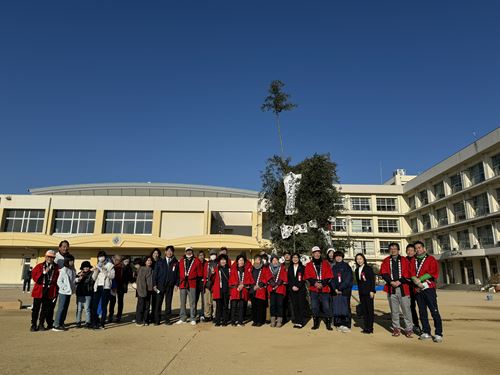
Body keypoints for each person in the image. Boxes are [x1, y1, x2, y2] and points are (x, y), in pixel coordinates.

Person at [410, 241, 443, 343]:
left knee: (434, 311)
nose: (417, 250)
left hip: (429, 288)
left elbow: (433, 272)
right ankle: (426, 331)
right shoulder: (413, 260)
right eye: (416, 248)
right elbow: (410, 272)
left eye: (419, 247)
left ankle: (438, 333)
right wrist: (415, 280)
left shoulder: (431, 259)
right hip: (418, 289)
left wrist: (420, 279)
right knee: (422, 311)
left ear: (424, 248)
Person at [380, 242, 414, 337]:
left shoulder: (405, 260)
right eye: (391, 248)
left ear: (398, 250)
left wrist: (399, 281)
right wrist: (391, 282)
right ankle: (396, 328)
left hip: (404, 288)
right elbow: (384, 273)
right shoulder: (386, 261)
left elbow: (409, 273)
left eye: (395, 248)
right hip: (391, 289)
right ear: (389, 250)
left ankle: (409, 329)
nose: (393, 250)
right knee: (394, 310)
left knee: (406, 310)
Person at [304, 246, 334, 330]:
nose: (317, 254)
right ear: (312, 254)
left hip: (324, 288)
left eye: (318, 253)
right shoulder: (309, 264)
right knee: (314, 306)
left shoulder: (325, 263)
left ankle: (328, 324)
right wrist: (315, 283)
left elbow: (329, 275)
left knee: (326, 306)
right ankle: (315, 323)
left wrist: (323, 284)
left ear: (320, 254)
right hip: (314, 289)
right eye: (315, 253)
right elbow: (307, 276)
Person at [30, 250, 59, 332]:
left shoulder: (56, 267)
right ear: (45, 257)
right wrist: (44, 273)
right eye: (48, 257)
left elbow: (58, 279)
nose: (50, 258)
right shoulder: (39, 266)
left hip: (50, 290)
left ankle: (41, 324)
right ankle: (33, 324)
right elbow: (35, 278)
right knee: (36, 309)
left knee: (45, 309)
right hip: (39, 290)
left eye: (52, 257)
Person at [153, 245, 179, 325]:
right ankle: (157, 320)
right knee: (158, 303)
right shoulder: (160, 262)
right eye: (168, 251)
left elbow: (178, 275)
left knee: (168, 303)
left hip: (170, 286)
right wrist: (154, 284)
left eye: (171, 251)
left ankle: (167, 319)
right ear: (165, 252)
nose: (169, 252)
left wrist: (176, 284)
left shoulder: (176, 262)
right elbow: (155, 274)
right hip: (160, 286)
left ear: (173, 252)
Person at [176, 247, 201, 326]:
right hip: (183, 283)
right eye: (187, 251)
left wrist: (196, 281)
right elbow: (178, 272)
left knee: (192, 302)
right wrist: (178, 283)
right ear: (185, 251)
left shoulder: (196, 260)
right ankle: (182, 317)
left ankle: (193, 318)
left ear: (192, 251)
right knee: (182, 302)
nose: (189, 252)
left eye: (190, 251)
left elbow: (199, 273)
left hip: (192, 283)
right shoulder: (181, 260)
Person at [91, 251, 115, 330]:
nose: (101, 258)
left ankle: (102, 323)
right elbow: (94, 278)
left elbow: (112, 276)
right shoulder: (97, 265)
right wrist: (97, 270)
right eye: (99, 256)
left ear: (105, 257)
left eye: (102, 256)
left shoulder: (110, 265)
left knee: (104, 306)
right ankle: (94, 323)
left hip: (106, 287)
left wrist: (104, 270)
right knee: (94, 305)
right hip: (98, 286)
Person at [331, 250, 353, 333]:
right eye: (336, 256)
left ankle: (346, 324)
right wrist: (335, 289)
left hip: (345, 290)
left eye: (340, 256)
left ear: (342, 257)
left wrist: (340, 288)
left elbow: (348, 279)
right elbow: (331, 279)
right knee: (337, 306)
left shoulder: (346, 266)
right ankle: (339, 323)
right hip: (336, 291)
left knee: (346, 306)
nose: (338, 258)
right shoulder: (333, 267)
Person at [53, 254, 76, 331]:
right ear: (67, 261)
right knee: (61, 308)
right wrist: (65, 288)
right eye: (71, 261)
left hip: (69, 292)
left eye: (73, 260)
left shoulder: (72, 270)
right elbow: (59, 281)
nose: (72, 262)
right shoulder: (63, 270)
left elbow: (73, 281)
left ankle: (61, 322)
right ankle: (56, 324)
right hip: (63, 292)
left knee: (65, 308)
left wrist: (77, 281)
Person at [354, 253, 376, 334]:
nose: (359, 260)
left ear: (363, 259)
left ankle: (370, 328)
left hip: (369, 292)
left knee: (369, 310)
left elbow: (372, 280)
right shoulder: (357, 270)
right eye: (357, 259)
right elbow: (359, 282)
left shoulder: (368, 268)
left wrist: (372, 290)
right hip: (362, 292)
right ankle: (366, 327)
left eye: (360, 258)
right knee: (364, 310)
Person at [229, 254, 252, 326]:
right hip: (235, 290)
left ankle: (240, 321)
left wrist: (243, 285)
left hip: (243, 290)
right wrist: (237, 286)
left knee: (242, 306)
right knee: (234, 306)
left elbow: (249, 280)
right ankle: (233, 321)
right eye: (240, 260)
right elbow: (231, 280)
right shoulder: (233, 270)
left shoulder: (246, 271)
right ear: (237, 261)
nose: (241, 262)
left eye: (242, 260)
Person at [249, 254, 271, 327]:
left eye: (259, 260)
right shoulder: (252, 268)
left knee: (260, 306)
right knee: (254, 306)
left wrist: (259, 285)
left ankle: (260, 321)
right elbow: (249, 277)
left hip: (260, 289)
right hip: (253, 289)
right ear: (254, 260)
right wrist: (253, 286)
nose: (257, 261)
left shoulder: (264, 268)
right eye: (256, 259)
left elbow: (266, 277)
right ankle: (255, 320)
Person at [267, 254, 288, 327]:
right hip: (272, 289)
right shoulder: (268, 268)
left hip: (280, 288)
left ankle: (279, 321)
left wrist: (277, 285)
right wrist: (273, 285)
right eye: (273, 260)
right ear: (271, 261)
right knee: (272, 305)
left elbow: (283, 277)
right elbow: (267, 277)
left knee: (280, 305)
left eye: (276, 260)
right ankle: (273, 320)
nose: (275, 261)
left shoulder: (281, 267)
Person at [406, 243, 422, 335]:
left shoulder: (418, 260)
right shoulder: (404, 260)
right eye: (408, 250)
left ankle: (424, 327)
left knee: (421, 307)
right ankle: (415, 324)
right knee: (411, 308)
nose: (410, 252)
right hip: (409, 288)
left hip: (419, 287)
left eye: (412, 250)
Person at [288, 252, 307, 328]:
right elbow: (289, 278)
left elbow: (303, 278)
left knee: (301, 305)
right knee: (295, 305)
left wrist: (298, 286)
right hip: (292, 289)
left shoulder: (302, 267)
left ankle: (301, 322)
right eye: (293, 258)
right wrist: (292, 286)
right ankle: (297, 320)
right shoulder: (290, 267)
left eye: (296, 257)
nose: (295, 259)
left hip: (301, 289)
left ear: (299, 259)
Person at [135, 256, 154, 326]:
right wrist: (143, 291)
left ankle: (145, 320)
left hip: (149, 291)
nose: (149, 261)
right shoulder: (142, 269)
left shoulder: (151, 269)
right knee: (141, 306)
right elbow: (141, 281)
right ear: (145, 261)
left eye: (150, 260)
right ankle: (139, 321)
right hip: (142, 291)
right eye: (148, 260)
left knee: (147, 306)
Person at [212, 254, 231, 326]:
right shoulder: (217, 269)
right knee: (218, 306)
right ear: (219, 261)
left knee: (226, 306)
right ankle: (217, 321)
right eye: (221, 260)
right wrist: (213, 274)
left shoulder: (229, 269)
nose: (223, 261)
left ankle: (225, 321)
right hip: (219, 290)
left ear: (226, 261)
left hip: (226, 290)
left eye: (224, 260)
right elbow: (213, 279)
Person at [75, 260, 94, 329]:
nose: (86, 268)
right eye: (84, 267)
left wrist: (84, 276)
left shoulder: (92, 274)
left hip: (88, 293)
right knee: (79, 309)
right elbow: (75, 282)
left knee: (87, 309)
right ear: (82, 268)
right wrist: (78, 278)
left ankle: (88, 322)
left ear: (89, 267)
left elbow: (92, 281)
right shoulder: (79, 273)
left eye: (87, 267)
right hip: (80, 293)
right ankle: (78, 322)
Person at [108, 254, 125, 323]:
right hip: (113, 286)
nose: (117, 261)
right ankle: (111, 316)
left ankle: (119, 316)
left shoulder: (123, 267)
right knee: (112, 301)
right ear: (113, 258)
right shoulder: (110, 266)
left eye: (119, 260)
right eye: (116, 260)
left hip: (121, 286)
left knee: (120, 301)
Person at [203, 249, 218, 322]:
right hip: (207, 285)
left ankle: (215, 315)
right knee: (207, 302)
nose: (213, 256)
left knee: (215, 302)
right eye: (212, 254)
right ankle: (207, 315)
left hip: (215, 285)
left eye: (214, 254)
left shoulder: (218, 264)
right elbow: (204, 274)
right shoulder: (207, 264)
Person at [149, 248, 162, 324]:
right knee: (147, 302)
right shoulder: (149, 261)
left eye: (157, 253)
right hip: (148, 284)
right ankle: (147, 316)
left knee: (155, 302)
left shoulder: (161, 262)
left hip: (156, 285)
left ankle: (155, 317)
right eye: (154, 253)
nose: (155, 254)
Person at [195, 250, 207, 321]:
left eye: (202, 255)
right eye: (200, 255)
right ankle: (195, 314)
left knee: (203, 300)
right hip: (196, 284)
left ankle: (202, 314)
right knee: (195, 300)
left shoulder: (206, 263)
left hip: (203, 284)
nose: (201, 257)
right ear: (198, 256)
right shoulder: (195, 262)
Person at [282, 250, 292, 323]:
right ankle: (284, 317)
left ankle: (292, 317)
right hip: (283, 285)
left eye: (288, 254)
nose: (287, 256)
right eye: (285, 255)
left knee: (291, 301)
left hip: (291, 285)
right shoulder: (281, 265)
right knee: (283, 301)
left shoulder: (293, 264)